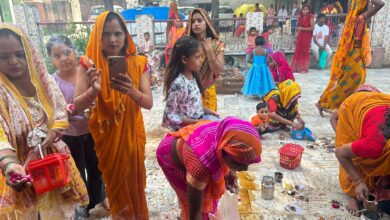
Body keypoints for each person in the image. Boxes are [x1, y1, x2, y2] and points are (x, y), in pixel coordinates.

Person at [0, 23, 88, 219]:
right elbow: (0, 136)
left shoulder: (44, 82)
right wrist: (9, 164)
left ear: (29, 53)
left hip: (53, 164)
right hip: (21, 170)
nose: (13, 61)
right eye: (4, 57)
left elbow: (60, 115)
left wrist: (52, 134)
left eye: (20, 54)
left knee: (61, 214)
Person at [73, 11, 153, 219]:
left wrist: (132, 91)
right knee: (115, 183)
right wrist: (94, 90)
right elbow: (77, 106)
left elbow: (149, 103)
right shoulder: (87, 65)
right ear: (98, 36)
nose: (112, 39)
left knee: (134, 180)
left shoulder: (138, 63)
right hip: (107, 138)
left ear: (126, 36)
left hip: (131, 135)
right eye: (106, 34)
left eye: (118, 33)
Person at [156, 117, 262, 219]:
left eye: (247, 163)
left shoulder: (223, 134)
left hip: (188, 151)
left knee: (204, 197)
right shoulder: (200, 167)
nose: (244, 169)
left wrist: (230, 172)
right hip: (168, 157)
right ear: (223, 150)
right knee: (194, 204)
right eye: (239, 163)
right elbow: (195, 213)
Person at [46, 35, 104, 215]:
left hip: (91, 131)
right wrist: (63, 112)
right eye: (57, 56)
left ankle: (97, 202)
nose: (63, 58)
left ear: (74, 52)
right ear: (52, 60)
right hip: (69, 135)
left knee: (96, 168)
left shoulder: (86, 74)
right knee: (76, 172)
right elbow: (51, 109)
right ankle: (82, 206)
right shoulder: (52, 82)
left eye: (66, 52)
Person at [316, 0, 385, 116]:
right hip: (354, 54)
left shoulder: (357, 17)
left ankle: (345, 106)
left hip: (355, 54)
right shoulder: (360, 18)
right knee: (351, 81)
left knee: (349, 81)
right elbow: (381, 3)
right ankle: (324, 103)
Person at [334, 92, 390, 216]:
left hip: (379, 105)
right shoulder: (374, 145)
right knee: (358, 159)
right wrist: (359, 181)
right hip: (353, 107)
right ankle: (353, 196)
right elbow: (340, 153)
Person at [162, 36, 219, 131]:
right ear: (184, 60)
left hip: (197, 124)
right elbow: (169, 115)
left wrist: (209, 112)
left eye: (201, 56)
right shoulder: (179, 84)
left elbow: (192, 104)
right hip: (187, 130)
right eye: (197, 57)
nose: (201, 60)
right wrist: (197, 123)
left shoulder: (193, 77)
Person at [186, 8, 225, 112]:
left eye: (199, 20)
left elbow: (218, 71)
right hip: (189, 92)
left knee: (208, 126)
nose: (196, 24)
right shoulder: (187, 45)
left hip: (208, 92)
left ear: (207, 22)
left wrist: (209, 51)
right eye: (192, 21)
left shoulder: (217, 44)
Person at [290, 4, 314, 74]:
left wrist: (302, 28)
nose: (305, 11)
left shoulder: (310, 17)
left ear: (309, 10)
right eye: (304, 9)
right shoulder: (300, 17)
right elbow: (299, 28)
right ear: (302, 10)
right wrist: (296, 36)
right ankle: (296, 67)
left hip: (307, 36)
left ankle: (304, 68)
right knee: (298, 50)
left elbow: (312, 28)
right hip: (300, 35)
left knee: (304, 51)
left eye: (307, 9)